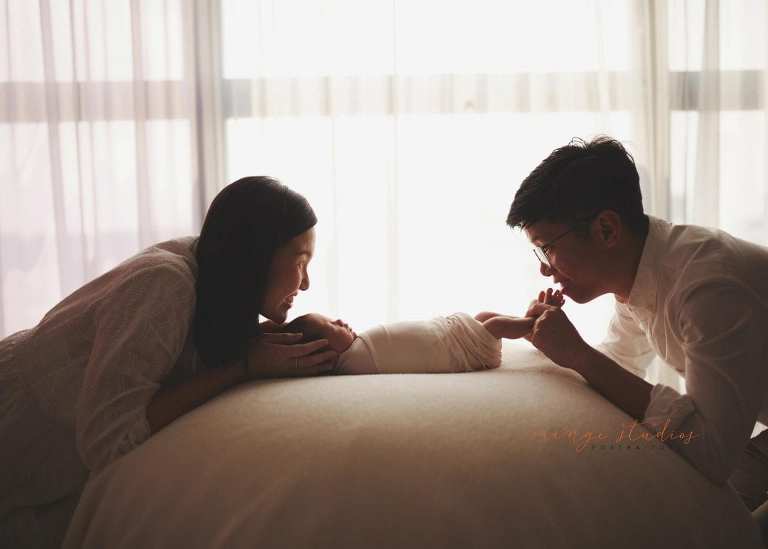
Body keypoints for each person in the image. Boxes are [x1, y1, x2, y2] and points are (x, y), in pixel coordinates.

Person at [0, 176, 337, 549]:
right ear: (257, 256)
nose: (305, 284)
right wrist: (241, 368)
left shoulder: (212, 273)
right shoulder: (165, 285)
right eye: (301, 262)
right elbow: (109, 438)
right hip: (16, 426)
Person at [500, 136, 768, 515]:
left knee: (688, 515)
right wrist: (554, 353)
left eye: (548, 247)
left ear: (607, 229)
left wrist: (579, 355)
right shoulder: (642, 271)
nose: (544, 268)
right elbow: (619, 361)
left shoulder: (707, 289)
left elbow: (712, 449)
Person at [281, 306, 548, 375]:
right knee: (496, 326)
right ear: (321, 350)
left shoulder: (355, 348)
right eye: (330, 325)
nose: (339, 320)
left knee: (485, 317)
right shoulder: (351, 363)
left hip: (452, 332)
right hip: (459, 350)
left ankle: (526, 327)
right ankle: (536, 325)